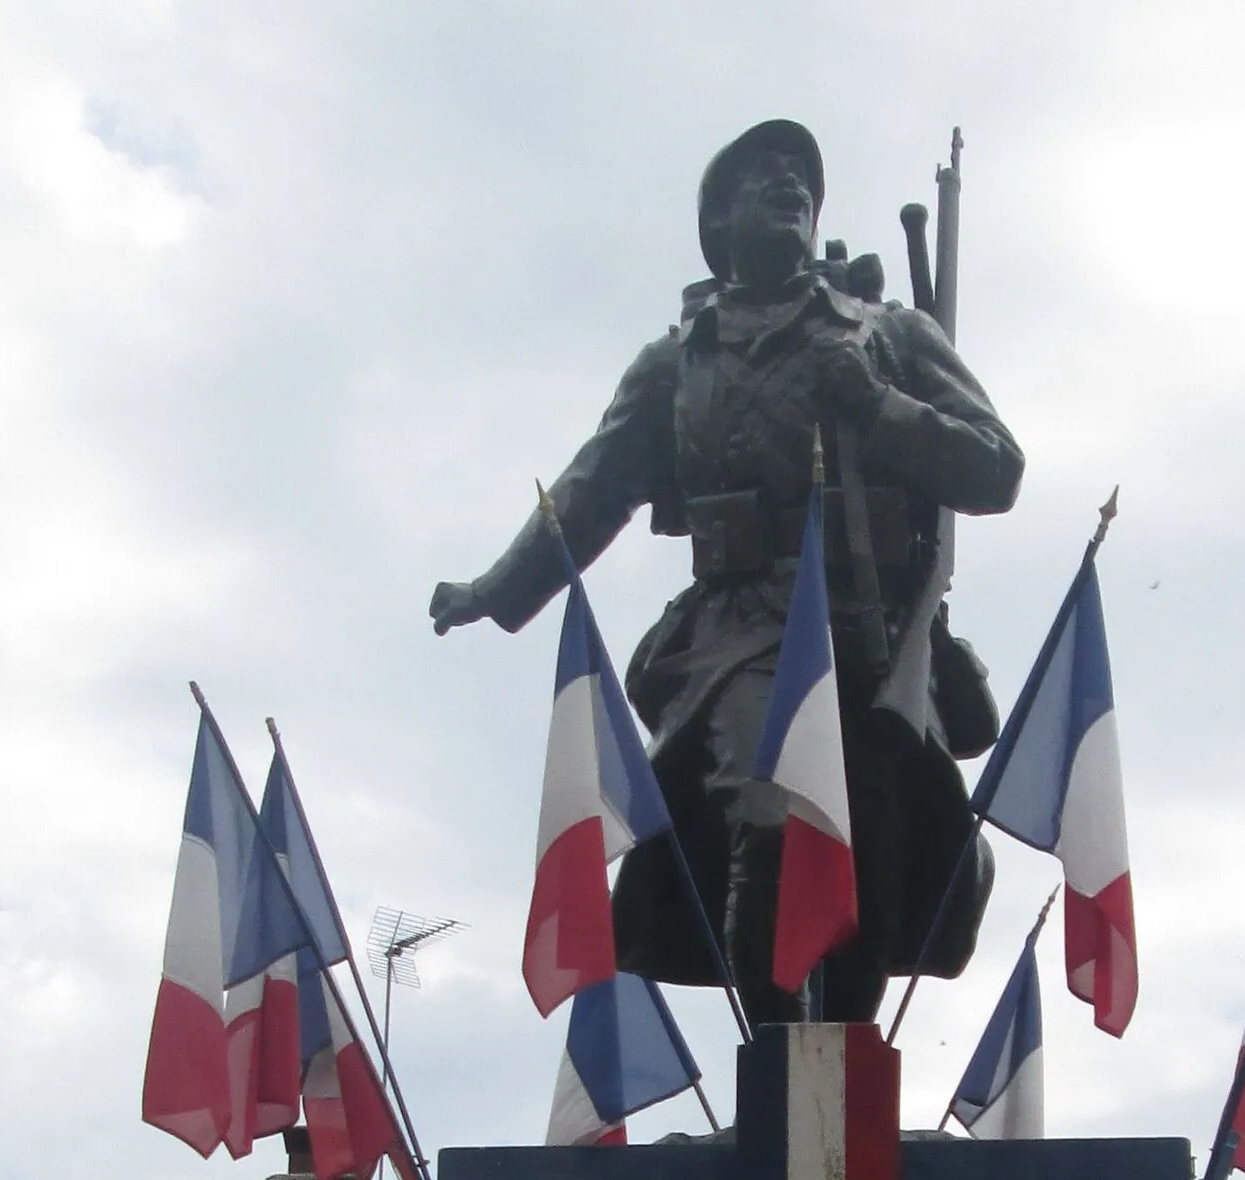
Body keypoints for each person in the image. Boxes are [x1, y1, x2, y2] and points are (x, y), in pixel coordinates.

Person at [430, 120, 1024, 1021]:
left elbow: (995, 466)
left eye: (801, 176)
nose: (789, 183)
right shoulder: (675, 361)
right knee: (776, 823)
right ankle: (781, 1086)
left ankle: (838, 1089)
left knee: (867, 850)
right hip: (742, 629)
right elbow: (594, 489)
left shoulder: (886, 336)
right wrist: (498, 588)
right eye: (763, 175)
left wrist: (875, 403)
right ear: (717, 220)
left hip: (867, 633)